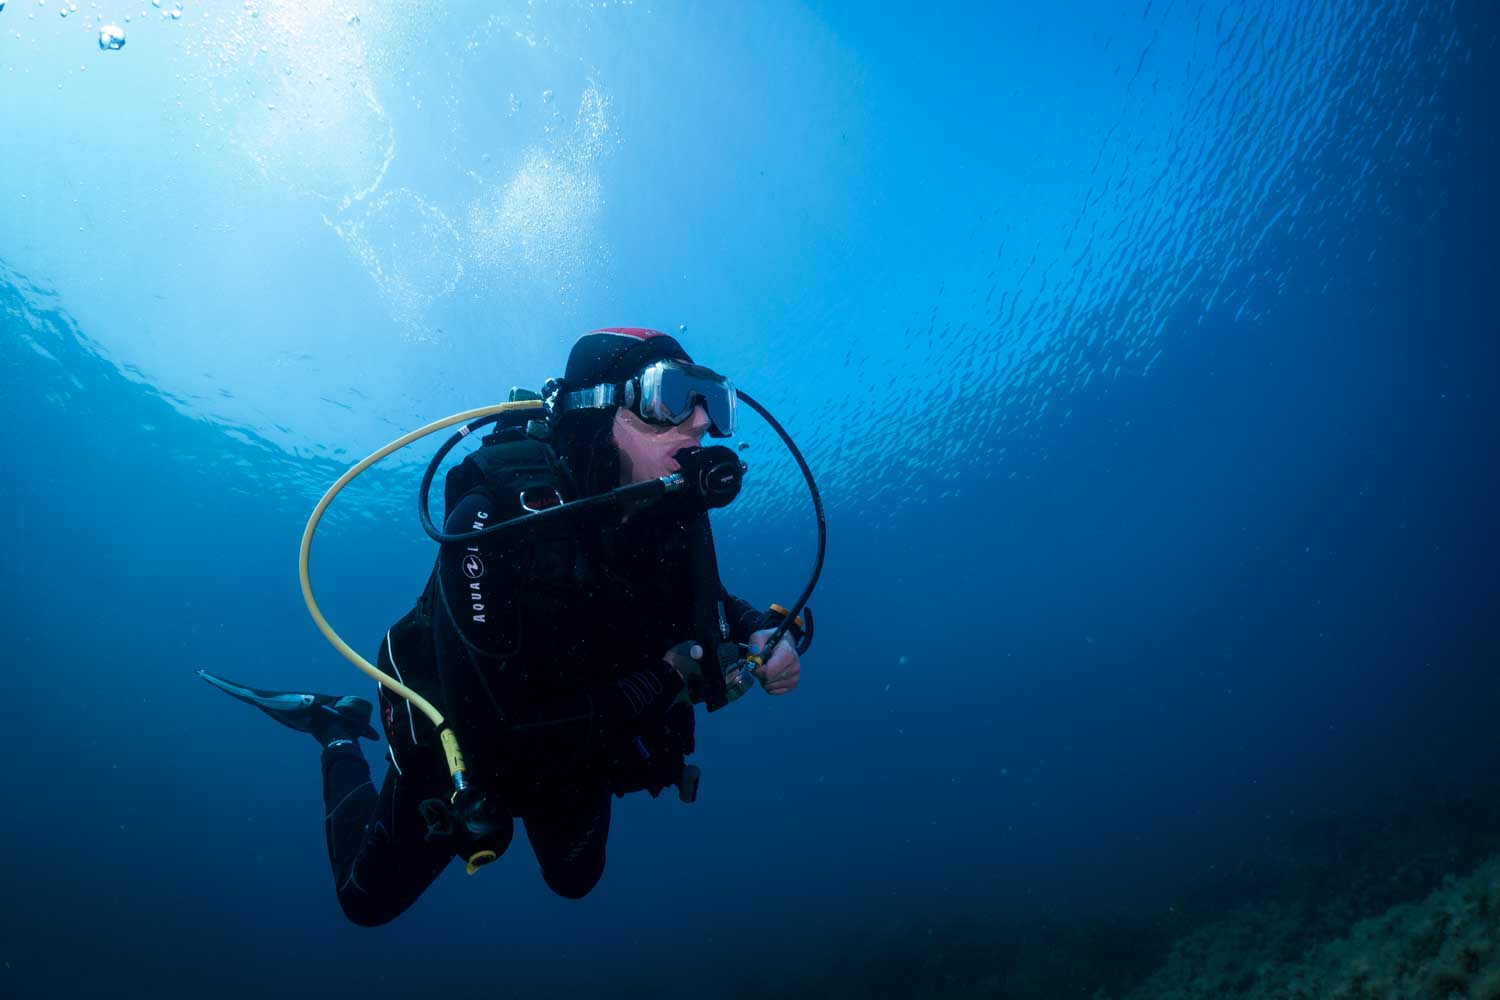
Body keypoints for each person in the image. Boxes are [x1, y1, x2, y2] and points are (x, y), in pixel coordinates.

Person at [200, 328, 802, 926]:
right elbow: (493, 731)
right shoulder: (492, 518)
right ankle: (336, 728)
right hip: (469, 745)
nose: (698, 422)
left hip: (585, 740)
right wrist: (667, 679)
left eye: (711, 402)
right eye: (670, 396)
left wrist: (761, 631)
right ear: (596, 410)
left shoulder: (670, 513)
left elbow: (706, 603)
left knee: (575, 880)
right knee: (364, 903)